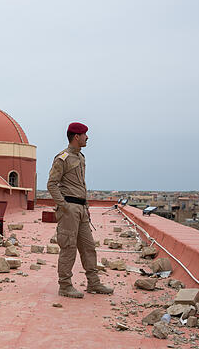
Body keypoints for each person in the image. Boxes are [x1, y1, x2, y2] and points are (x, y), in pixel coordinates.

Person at [47, 122, 114, 298]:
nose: (87, 137)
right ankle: (65, 286)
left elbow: (80, 184)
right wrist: (64, 206)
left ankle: (93, 283)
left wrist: (85, 206)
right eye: (85, 134)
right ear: (76, 137)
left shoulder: (81, 157)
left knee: (88, 247)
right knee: (68, 247)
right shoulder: (62, 158)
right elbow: (52, 184)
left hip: (81, 209)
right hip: (69, 209)